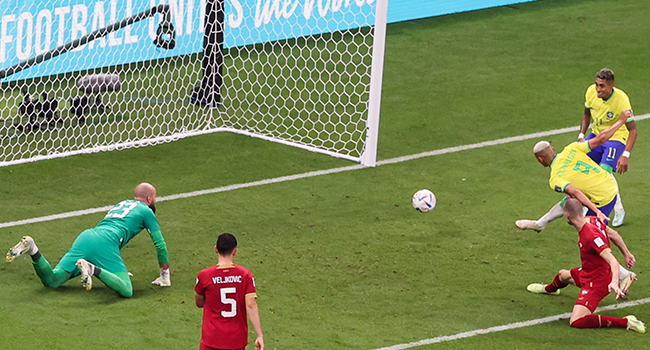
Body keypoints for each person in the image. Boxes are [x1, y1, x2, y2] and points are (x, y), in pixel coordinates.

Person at [515, 112, 637, 295]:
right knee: (570, 203)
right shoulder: (571, 148)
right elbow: (602, 137)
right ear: (553, 149)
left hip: (603, 198)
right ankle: (541, 223)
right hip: (609, 183)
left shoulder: (555, 178)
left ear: (540, 160)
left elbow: (576, 192)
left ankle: (624, 274)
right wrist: (621, 120)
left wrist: (596, 211)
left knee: (591, 235)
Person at [6, 182, 171, 298]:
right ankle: (92, 269)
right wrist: (164, 275)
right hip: (105, 243)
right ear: (149, 199)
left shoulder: (121, 204)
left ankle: (33, 249)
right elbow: (160, 244)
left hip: (87, 236)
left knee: (52, 280)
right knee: (127, 290)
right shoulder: (146, 211)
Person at [526, 198, 645, 333]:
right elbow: (613, 234)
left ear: (566, 216)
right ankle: (549, 289)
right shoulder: (592, 219)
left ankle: (627, 322)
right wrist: (627, 253)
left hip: (598, 282)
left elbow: (612, 260)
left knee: (576, 321)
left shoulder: (590, 236)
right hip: (588, 272)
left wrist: (614, 281)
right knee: (563, 275)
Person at [578, 68, 637, 227]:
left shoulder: (621, 99)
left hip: (616, 138)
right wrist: (581, 135)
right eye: (597, 84)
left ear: (611, 86)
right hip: (596, 136)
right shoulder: (591, 91)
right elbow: (586, 114)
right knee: (582, 166)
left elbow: (633, 130)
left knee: (604, 173)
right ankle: (588, 204)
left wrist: (626, 155)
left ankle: (618, 209)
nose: (598, 89)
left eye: (602, 86)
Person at [195, 233, 264, 350]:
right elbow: (251, 305)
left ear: (216, 249)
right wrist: (259, 335)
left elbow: (199, 303)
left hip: (211, 339)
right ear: (235, 251)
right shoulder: (245, 275)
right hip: (236, 340)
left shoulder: (204, 275)